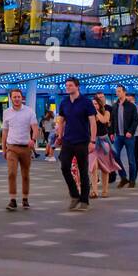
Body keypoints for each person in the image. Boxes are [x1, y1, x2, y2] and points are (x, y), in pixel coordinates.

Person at [58, 77, 96, 211]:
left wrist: (92, 141)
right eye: (66, 85)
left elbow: (92, 122)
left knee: (83, 170)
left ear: (77, 86)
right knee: (64, 167)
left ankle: (84, 200)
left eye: (70, 85)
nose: (67, 87)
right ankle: (74, 195)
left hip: (82, 141)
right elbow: (61, 120)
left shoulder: (86, 102)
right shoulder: (64, 102)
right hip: (68, 140)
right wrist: (59, 136)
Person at [1, 88, 39, 210]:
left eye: (18, 97)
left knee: (25, 175)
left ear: (22, 98)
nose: (17, 99)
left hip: (26, 148)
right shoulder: (6, 112)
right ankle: (12, 200)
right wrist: (3, 148)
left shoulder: (29, 111)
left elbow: (35, 128)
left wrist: (33, 140)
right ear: (11, 98)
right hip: (12, 147)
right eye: (14, 97)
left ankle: (25, 198)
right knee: (11, 173)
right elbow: (5, 132)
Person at [90, 94, 122, 198]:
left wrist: (96, 112)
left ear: (99, 105)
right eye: (92, 104)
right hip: (93, 142)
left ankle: (105, 190)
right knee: (93, 167)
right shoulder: (89, 115)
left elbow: (104, 120)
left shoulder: (106, 111)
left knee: (104, 168)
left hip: (104, 141)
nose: (93, 105)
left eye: (95, 104)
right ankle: (94, 191)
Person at [115, 85, 138, 188]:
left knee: (131, 159)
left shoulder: (131, 106)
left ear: (124, 92)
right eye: (116, 92)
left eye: (119, 91)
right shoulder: (115, 106)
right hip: (118, 136)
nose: (117, 93)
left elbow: (135, 120)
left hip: (129, 136)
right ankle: (123, 177)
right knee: (115, 155)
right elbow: (113, 120)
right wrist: (111, 132)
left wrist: (131, 132)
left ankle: (132, 180)